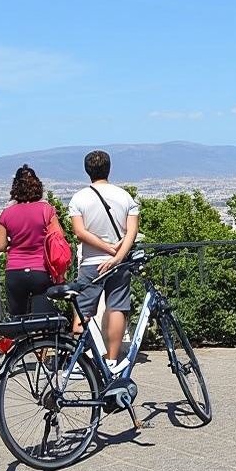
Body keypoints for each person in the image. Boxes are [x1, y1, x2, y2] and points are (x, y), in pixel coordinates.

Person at [68, 150, 139, 366]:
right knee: (117, 307)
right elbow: (132, 232)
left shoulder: (79, 198)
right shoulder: (124, 196)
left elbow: (80, 232)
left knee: (83, 312)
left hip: (91, 263)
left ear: (86, 170)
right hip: (119, 263)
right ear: (109, 168)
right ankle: (112, 358)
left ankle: (79, 362)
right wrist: (117, 255)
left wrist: (104, 248)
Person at [0, 165, 65, 316]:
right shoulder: (46, 210)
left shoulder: (6, 214)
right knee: (42, 319)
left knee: (19, 320)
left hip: (15, 272)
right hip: (41, 270)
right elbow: (58, 236)